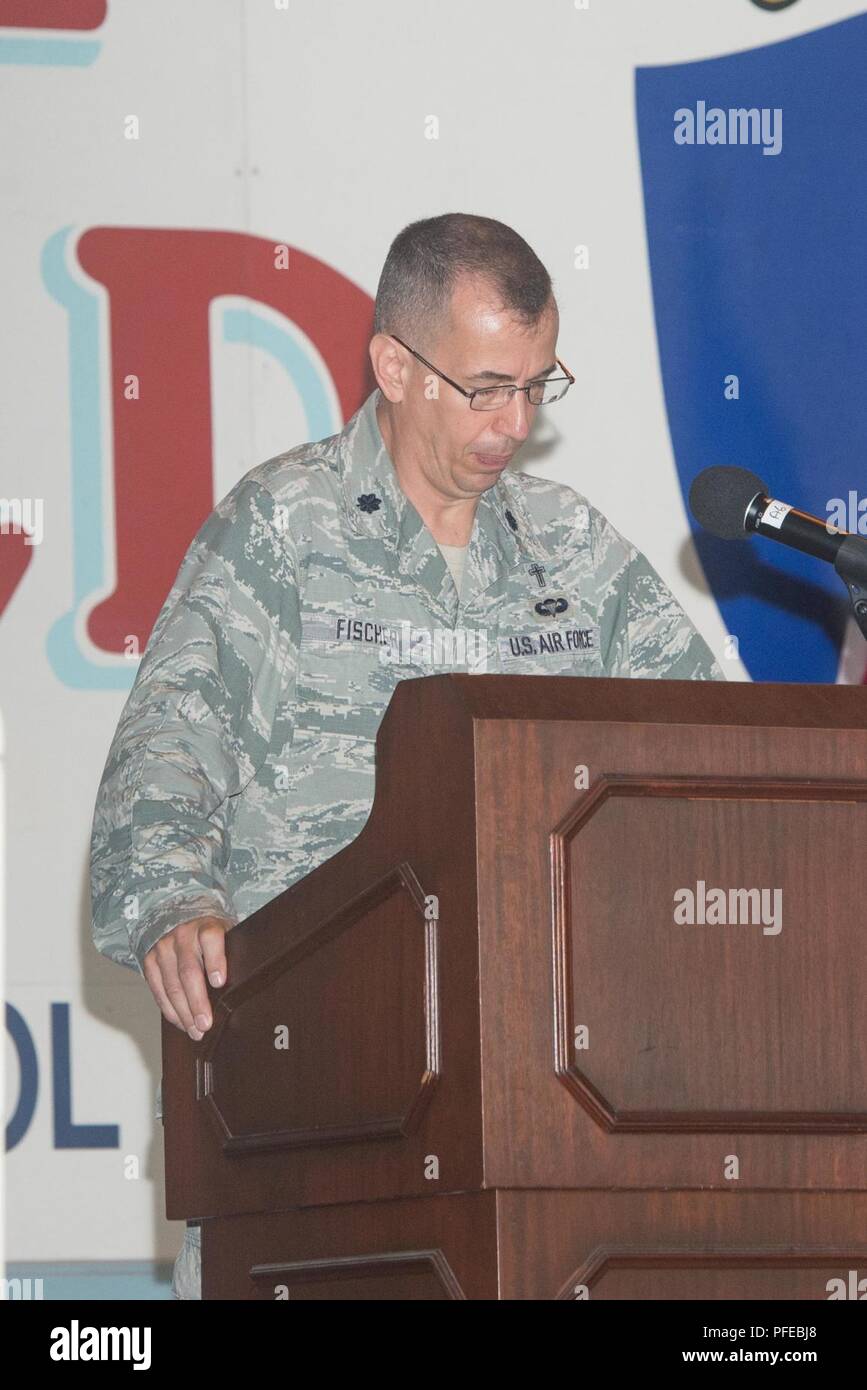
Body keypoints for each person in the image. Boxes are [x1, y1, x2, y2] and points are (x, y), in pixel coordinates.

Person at [89, 212, 724, 1300]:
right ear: (393, 363)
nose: (513, 422)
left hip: (547, 1124)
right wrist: (170, 897)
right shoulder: (284, 528)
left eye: (536, 385)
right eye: (484, 386)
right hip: (316, 1102)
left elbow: (708, 756)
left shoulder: (573, 547)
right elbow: (167, 746)